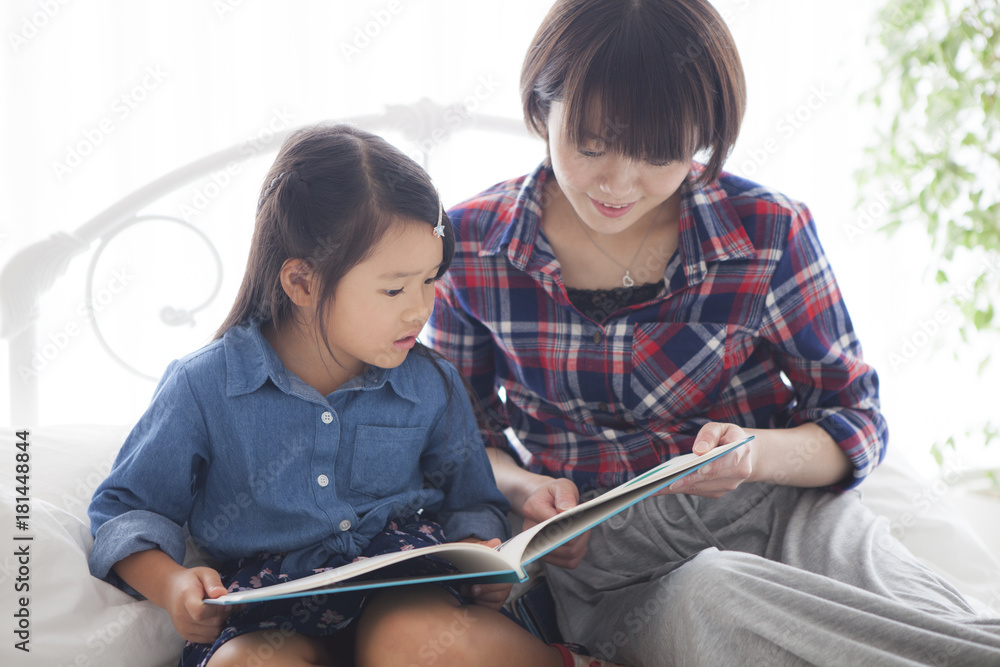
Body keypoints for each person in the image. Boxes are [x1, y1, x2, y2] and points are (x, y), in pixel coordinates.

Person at [426, 1, 1000, 665]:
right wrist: (529, 490)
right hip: (614, 564)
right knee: (715, 597)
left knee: (952, 627)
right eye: (591, 146)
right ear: (539, 108)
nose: (619, 182)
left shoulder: (767, 230)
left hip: (788, 513)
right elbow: (461, 442)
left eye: (659, 154)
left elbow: (854, 420)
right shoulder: (471, 246)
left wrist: (750, 454)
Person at [88, 125, 623, 667]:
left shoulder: (429, 383)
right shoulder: (203, 387)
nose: (420, 309)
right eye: (394, 289)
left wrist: (484, 556)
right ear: (302, 282)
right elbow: (126, 510)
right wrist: (173, 585)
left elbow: (472, 502)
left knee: (408, 637)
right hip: (271, 613)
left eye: (430, 280)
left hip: (412, 598)